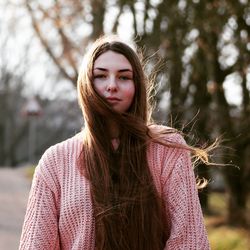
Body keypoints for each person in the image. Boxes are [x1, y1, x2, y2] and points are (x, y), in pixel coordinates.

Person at [19, 35, 210, 250]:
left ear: (137, 85)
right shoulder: (55, 162)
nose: (111, 85)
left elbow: (190, 242)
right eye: (101, 76)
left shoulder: (167, 148)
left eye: (124, 77)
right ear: (86, 85)